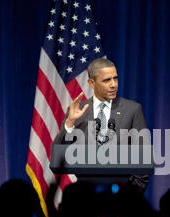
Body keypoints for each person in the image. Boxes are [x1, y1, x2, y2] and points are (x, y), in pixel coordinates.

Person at [52, 58, 149, 192]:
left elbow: (143, 158)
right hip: (86, 197)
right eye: (106, 80)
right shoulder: (78, 111)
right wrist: (70, 123)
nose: (113, 84)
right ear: (92, 83)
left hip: (121, 196)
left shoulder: (132, 110)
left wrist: (130, 196)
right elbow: (57, 155)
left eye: (115, 78)